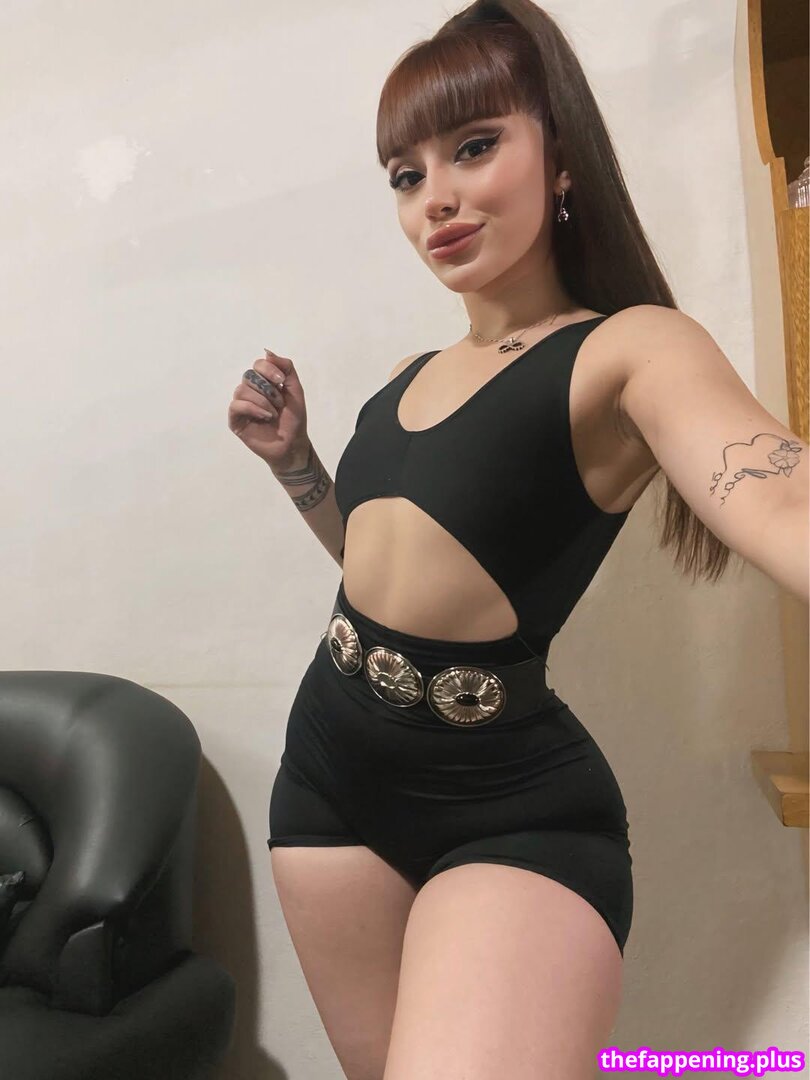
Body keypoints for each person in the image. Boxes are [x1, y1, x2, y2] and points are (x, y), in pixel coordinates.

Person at [227, 2, 809, 1077]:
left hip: (508, 810)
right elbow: (388, 574)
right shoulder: (407, 379)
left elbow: (779, 500)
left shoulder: (629, 350)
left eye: (475, 146)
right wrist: (295, 464)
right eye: (406, 175)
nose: (436, 198)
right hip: (326, 782)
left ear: (563, 155)